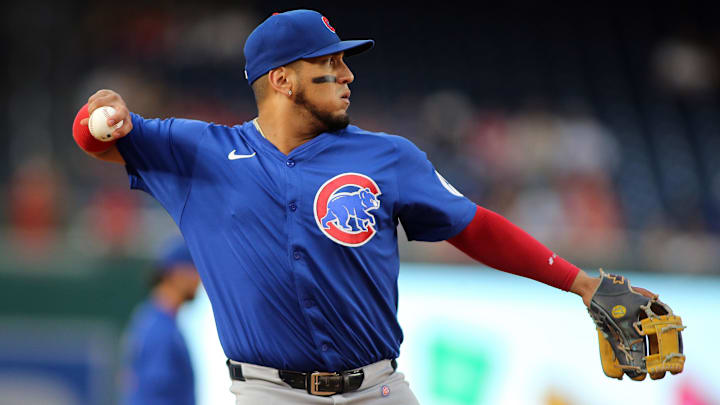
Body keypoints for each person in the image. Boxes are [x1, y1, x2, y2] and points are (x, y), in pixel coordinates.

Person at [73, 9, 657, 404]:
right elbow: (95, 136)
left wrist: (582, 283)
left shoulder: (387, 157)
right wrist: (104, 111)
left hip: (378, 389)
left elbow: (476, 227)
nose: (347, 74)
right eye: (329, 64)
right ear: (282, 79)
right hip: (267, 394)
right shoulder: (199, 151)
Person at [119, 236, 201, 405]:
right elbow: (158, 395)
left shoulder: (149, 318)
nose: (200, 279)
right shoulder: (161, 329)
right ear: (177, 273)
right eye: (195, 269)